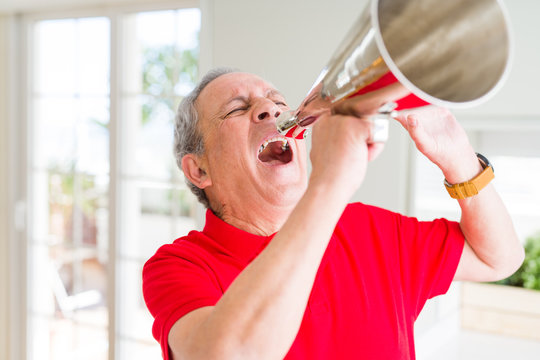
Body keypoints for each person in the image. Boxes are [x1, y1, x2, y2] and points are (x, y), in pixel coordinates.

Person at [142, 67, 524, 360]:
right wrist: (330, 182)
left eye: (276, 101)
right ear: (199, 170)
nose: (270, 109)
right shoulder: (178, 266)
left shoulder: (373, 229)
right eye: (238, 109)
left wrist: (458, 158)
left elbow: (500, 259)